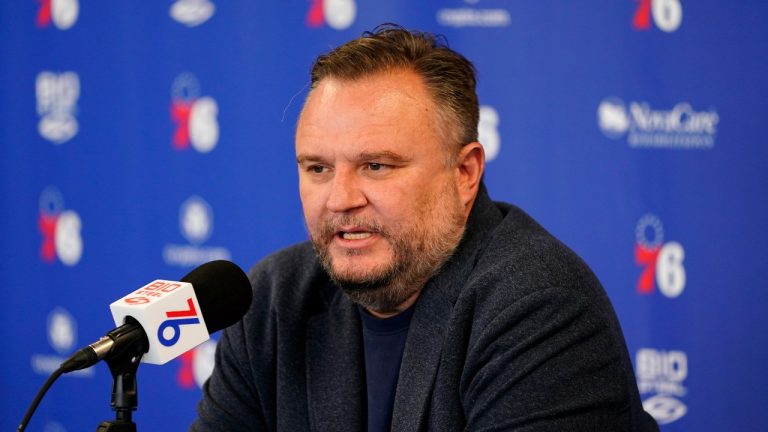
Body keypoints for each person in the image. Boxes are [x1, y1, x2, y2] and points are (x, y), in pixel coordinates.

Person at [190, 24, 659, 432]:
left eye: (376, 166)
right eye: (317, 168)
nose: (339, 199)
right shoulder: (272, 300)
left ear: (465, 173)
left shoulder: (540, 307)